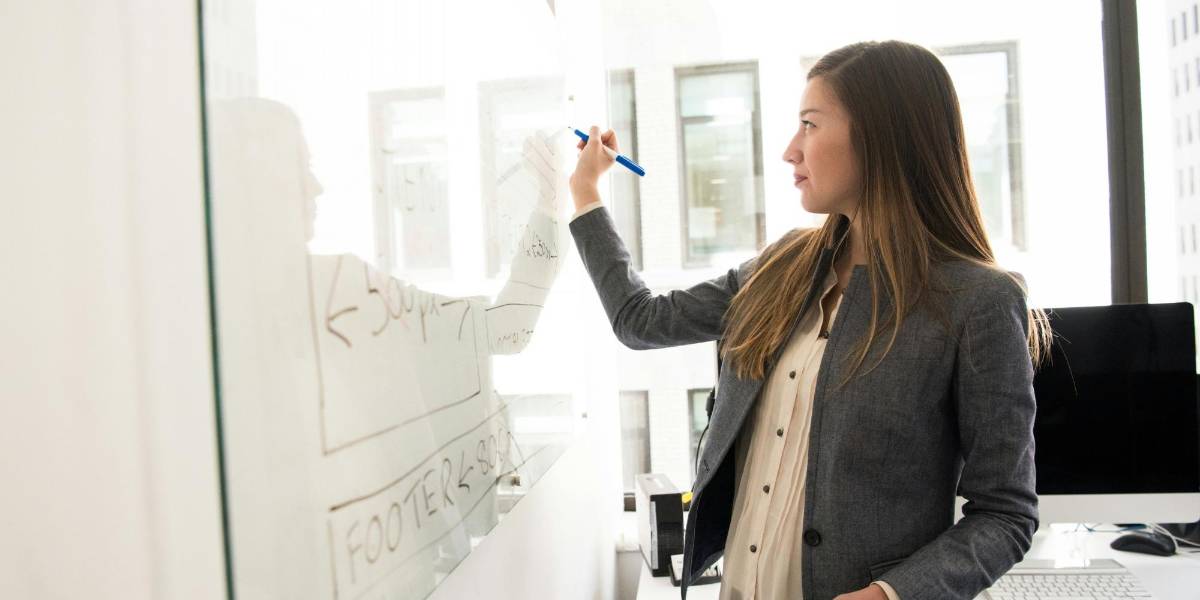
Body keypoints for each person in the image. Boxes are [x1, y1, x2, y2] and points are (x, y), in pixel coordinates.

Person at [567, 40, 1051, 600]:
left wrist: (892, 595)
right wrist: (586, 192)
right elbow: (639, 320)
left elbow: (1005, 513)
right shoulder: (781, 268)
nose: (790, 151)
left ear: (881, 138)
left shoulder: (977, 300)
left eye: (810, 125)